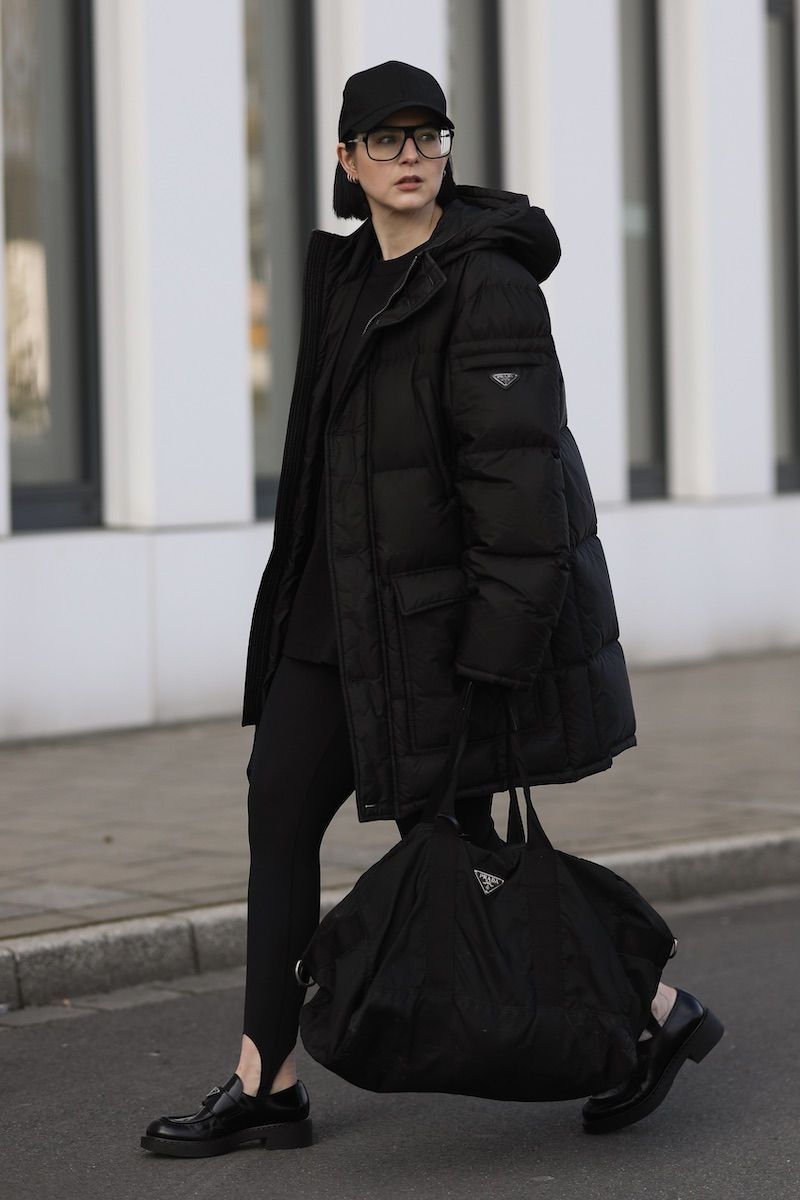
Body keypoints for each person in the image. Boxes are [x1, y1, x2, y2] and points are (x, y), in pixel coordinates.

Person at [140, 60, 723, 1159]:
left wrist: (498, 646)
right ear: (346, 160)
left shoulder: (486, 283)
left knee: (461, 850)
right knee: (279, 813)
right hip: (336, 617)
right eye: (387, 139)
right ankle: (266, 1081)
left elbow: (520, 482)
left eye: (428, 136)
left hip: (438, 633)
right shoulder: (345, 275)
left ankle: (651, 1010)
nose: (411, 157)